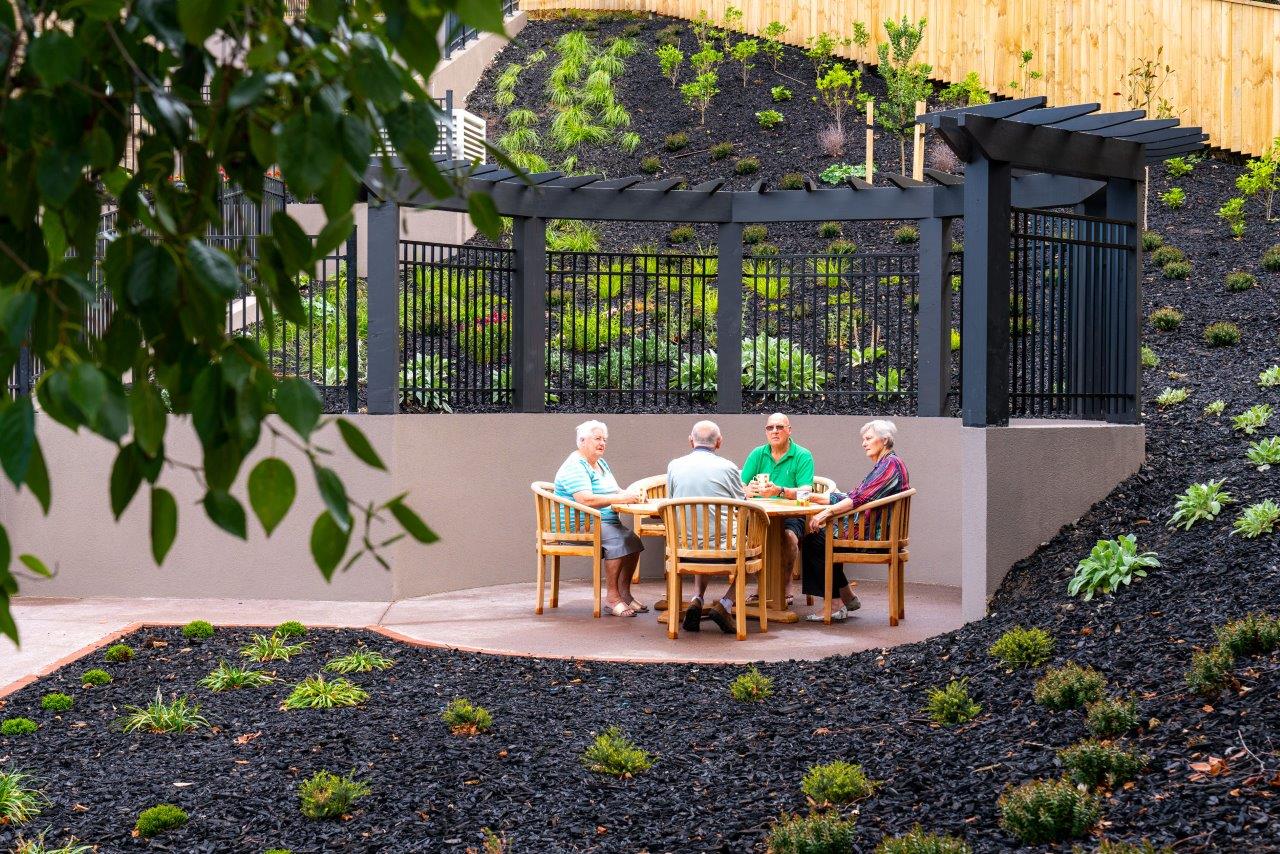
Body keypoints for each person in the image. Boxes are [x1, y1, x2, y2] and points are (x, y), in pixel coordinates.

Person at [801, 419, 910, 622]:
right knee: (820, 540)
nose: (864, 443)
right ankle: (847, 596)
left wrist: (826, 513)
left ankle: (835, 604)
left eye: (868, 438)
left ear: (884, 440)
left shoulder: (889, 465)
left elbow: (858, 499)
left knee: (813, 542)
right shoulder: (887, 463)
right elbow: (855, 495)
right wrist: (816, 497)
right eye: (864, 439)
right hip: (877, 531)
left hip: (873, 536)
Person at [553, 420, 646, 617]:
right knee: (619, 541)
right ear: (582, 441)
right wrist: (622, 498)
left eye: (604, 439)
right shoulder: (575, 465)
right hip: (579, 524)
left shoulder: (600, 464)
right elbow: (585, 500)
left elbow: (616, 491)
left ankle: (624, 594)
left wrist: (633, 495)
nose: (602, 443)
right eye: (597, 438)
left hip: (604, 522)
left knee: (634, 542)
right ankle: (612, 599)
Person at [665, 420, 745, 634]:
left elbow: (671, 501)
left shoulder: (674, 466)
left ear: (690, 441)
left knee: (701, 536)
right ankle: (725, 604)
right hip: (724, 549)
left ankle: (697, 599)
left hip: (684, 548)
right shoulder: (728, 467)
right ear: (719, 442)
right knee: (756, 551)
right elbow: (742, 504)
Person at [741, 412, 815, 605]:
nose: (774, 431)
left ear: (789, 430)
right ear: (766, 432)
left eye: (779, 427)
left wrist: (780, 491)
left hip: (791, 513)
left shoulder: (802, 455)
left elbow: (806, 491)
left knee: (789, 537)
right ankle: (763, 583)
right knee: (748, 538)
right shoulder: (758, 454)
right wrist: (747, 490)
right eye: (770, 428)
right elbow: (739, 485)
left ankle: (786, 582)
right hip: (758, 513)